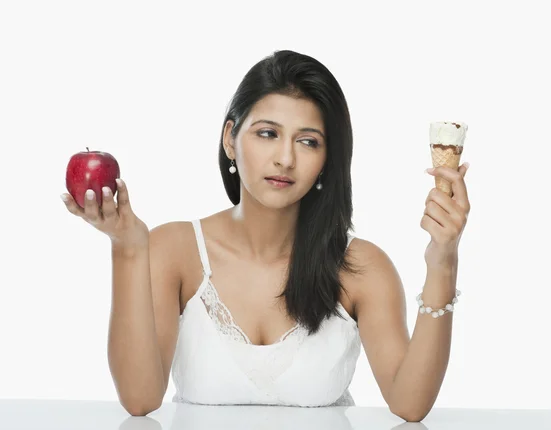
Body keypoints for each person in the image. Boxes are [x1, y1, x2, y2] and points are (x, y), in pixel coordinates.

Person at [61, 50, 471, 422]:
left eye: (308, 141)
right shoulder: (175, 250)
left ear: (328, 159)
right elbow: (139, 399)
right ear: (230, 140)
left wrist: (443, 260)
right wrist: (128, 249)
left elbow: (410, 404)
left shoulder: (361, 268)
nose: (285, 158)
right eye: (267, 133)